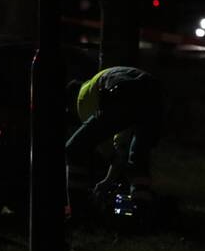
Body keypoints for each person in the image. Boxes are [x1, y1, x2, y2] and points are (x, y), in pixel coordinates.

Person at [65, 66, 163, 209]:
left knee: (74, 148)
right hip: (155, 95)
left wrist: (105, 181)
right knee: (137, 162)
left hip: (122, 91)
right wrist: (108, 181)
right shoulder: (97, 83)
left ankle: (78, 210)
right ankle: (142, 214)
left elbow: (107, 149)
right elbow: (121, 147)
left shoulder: (83, 97)